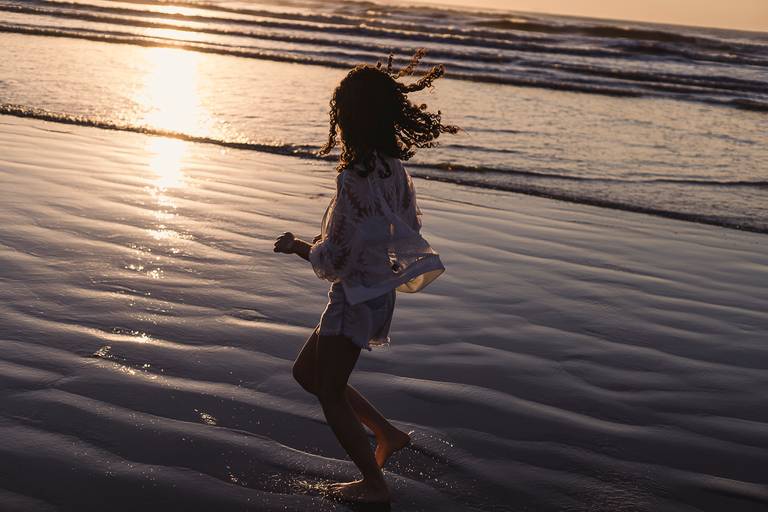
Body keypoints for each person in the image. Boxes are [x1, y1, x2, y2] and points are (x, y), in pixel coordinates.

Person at [273, 50, 458, 504]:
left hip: (354, 298)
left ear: (349, 119)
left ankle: (374, 485)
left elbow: (334, 259)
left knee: (329, 391)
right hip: (376, 294)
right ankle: (387, 434)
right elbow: (406, 227)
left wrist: (299, 246)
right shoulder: (394, 169)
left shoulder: (355, 177)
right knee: (306, 373)